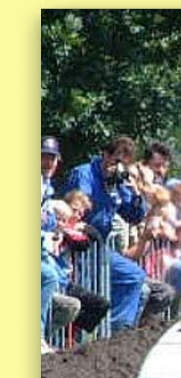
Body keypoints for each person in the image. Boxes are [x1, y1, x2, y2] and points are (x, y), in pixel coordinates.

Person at [60, 136, 148, 333]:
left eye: (123, 164)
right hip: (77, 248)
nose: (117, 167)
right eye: (115, 160)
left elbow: (134, 216)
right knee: (88, 292)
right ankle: (89, 336)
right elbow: (78, 208)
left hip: (99, 249)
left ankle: (116, 332)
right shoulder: (84, 174)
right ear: (105, 155)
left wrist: (135, 193)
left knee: (134, 276)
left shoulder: (117, 182)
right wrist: (107, 187)